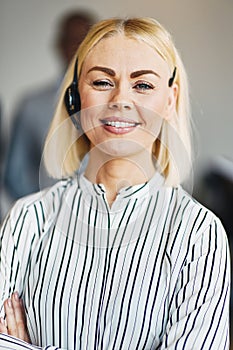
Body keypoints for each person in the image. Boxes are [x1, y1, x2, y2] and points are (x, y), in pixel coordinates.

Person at [0, 17, 230, 349]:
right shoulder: (26, 220)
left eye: (143, 85)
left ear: (170, 99)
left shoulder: (198, 234)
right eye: (103, 82)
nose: (121, 100)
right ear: (75, 96)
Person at [3, 10, 96, 200]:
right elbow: (16, 174)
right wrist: (42, 213)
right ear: (59, 46)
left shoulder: (117, 104)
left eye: (86, 41)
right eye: (73, 41)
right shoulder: (32, 106)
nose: (79, 49)